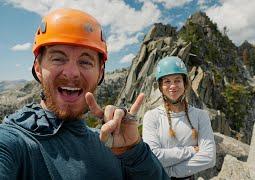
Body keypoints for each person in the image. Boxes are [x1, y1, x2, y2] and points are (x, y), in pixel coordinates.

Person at [0, 8, 168, 180]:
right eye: (58, 58)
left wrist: (134, 152)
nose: (72, 72)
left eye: (85, 62)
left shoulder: (113, 145)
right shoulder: (13, 141)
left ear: (100, 73)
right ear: (38, 68)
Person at [142, 56, 216, 179]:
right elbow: (153, 157)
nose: (173, 86)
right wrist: (191, 151)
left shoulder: (200, 116)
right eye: (167, 81)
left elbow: (209, 157)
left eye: (177, 80)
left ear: (184, 83)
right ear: (160, 86)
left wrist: (169, 171)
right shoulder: (152, 117)